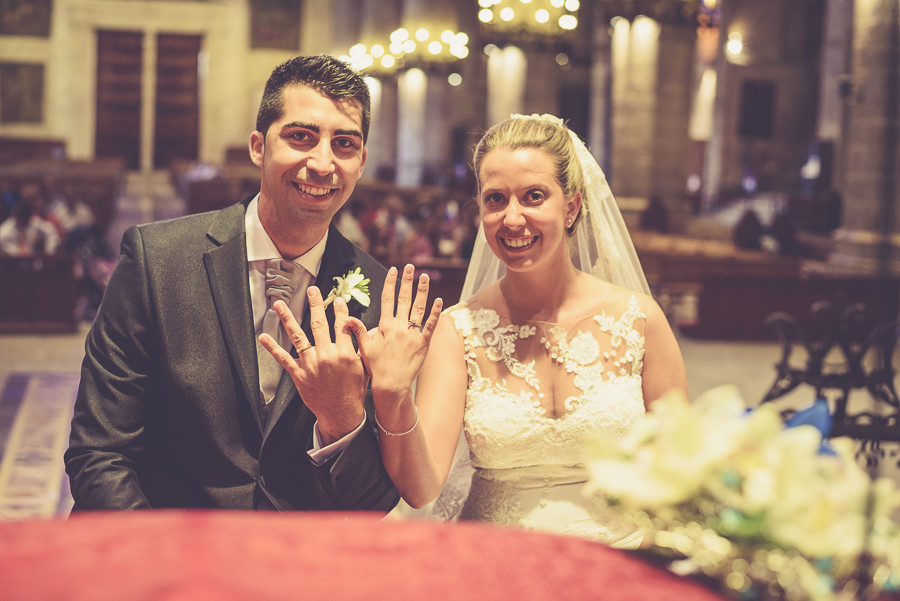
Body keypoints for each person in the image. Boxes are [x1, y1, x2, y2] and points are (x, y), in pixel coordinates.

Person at [267, 114, 687, 543]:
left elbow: (683, 470)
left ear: (572, 206)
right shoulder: (458, 330)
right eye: (496, 200)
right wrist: (392, 393)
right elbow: (422, 488)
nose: (512, 218)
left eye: (534, 196)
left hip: (619, 561)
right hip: (496, 561)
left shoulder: (640, 321)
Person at [64, 55, 399, 512]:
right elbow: (99, 452)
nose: (322, 163)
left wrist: (343, 422)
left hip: (295, 565)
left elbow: (375, 502)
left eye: (344, 144)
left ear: (360, 162)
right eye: (301, 137)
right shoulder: (156, 260)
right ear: (258, 147)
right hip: (163, 546)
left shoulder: (378, 295)